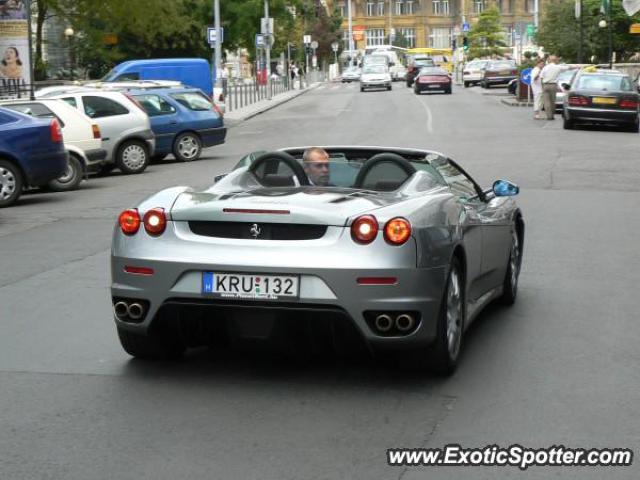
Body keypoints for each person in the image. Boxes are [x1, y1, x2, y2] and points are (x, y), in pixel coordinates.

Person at [540, 55, 570, 120]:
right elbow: (568, 68)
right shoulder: (558, 67)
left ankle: (549, 116)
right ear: (555, 60)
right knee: (552, 101)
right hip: (553, 85)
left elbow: (541, 77)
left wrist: (542, 85)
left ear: (550, 60)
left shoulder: (545, 67)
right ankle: (552, 115)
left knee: (546, 101)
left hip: (545, 85)